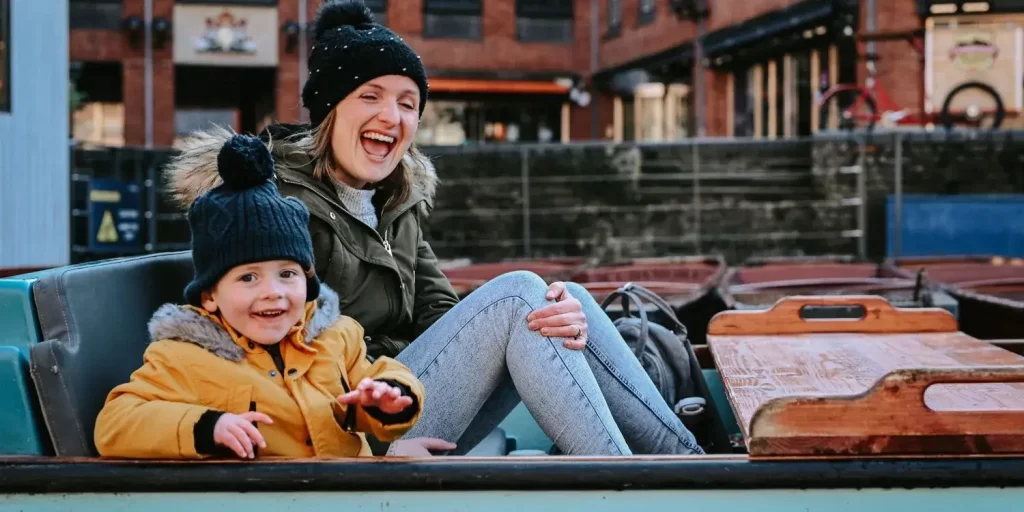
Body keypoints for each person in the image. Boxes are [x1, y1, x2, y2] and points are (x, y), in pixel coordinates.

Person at [164, 0, 703, 456]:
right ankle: (629, 487)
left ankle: (697, 463)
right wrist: (375, 440)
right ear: (329, 110)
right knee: (519, 296)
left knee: (566, 304)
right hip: (354, 424)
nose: (392, 117)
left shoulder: (393, 198)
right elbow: (277, 356)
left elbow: (439, 315)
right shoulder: (276, 207)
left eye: (408, 103)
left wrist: (548, 325)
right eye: (370, 97)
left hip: (406, 392)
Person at [94, 134, 425, 459]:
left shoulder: (337, 338)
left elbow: (373, 388)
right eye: (248, 277)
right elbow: (116, 423)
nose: (272, 292)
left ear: (307, 281)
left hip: (350, 494)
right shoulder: (183, 358)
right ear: (210, 295)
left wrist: (389, 399)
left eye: (287, 274)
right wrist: (207, 427)